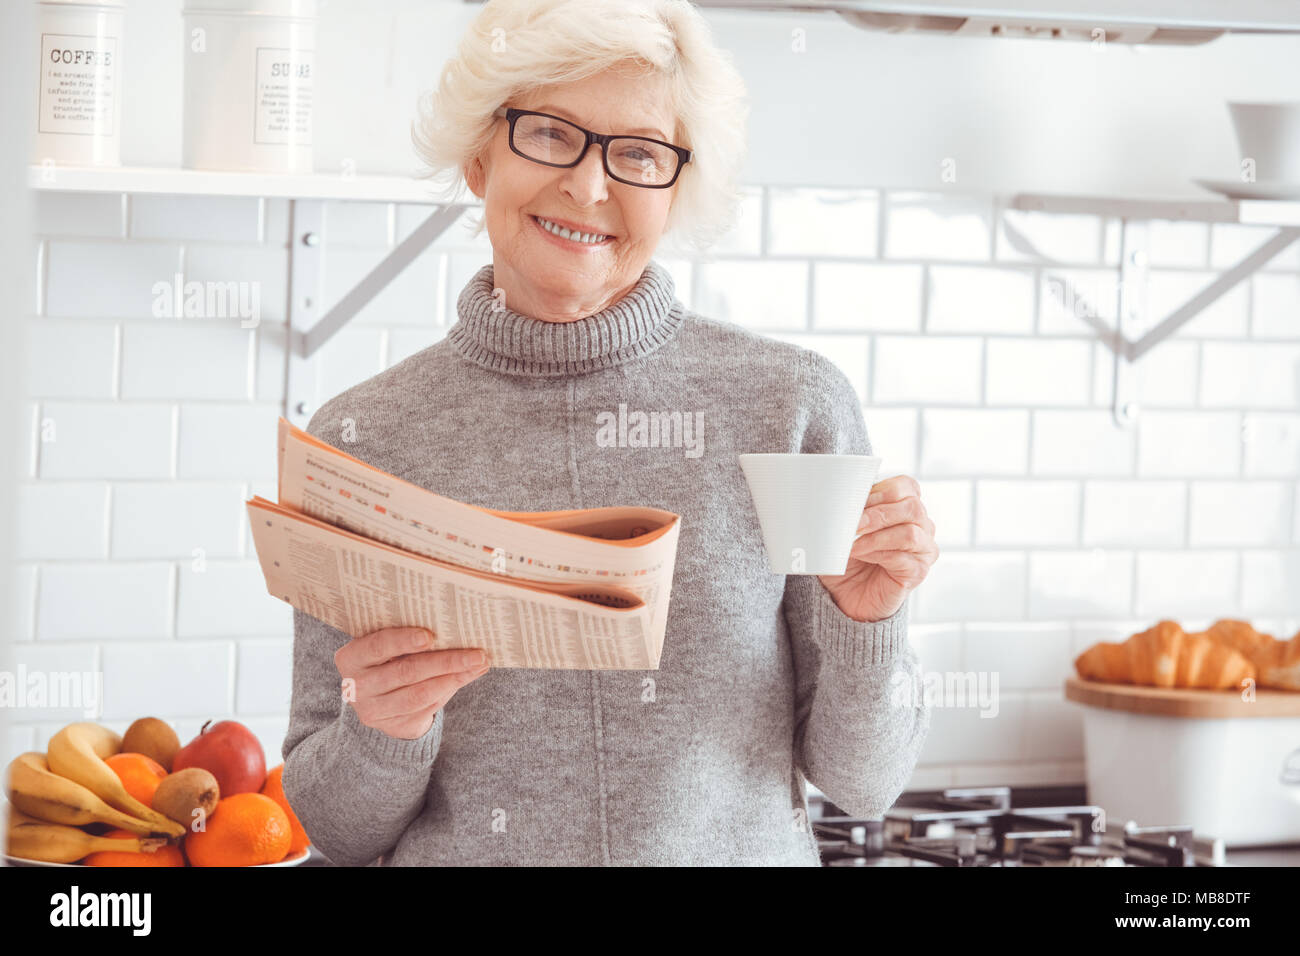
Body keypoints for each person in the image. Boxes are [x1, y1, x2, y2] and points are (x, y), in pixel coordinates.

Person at [281, 0, 938, 866]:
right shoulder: (365, 441)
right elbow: (335, 828)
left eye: (637, 153)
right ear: (480, 157)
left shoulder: (791, 408)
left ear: (677, 188)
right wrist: (381, 730)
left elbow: (867, 781)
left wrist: (869, 620)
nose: (590, 188)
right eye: (549, 134)